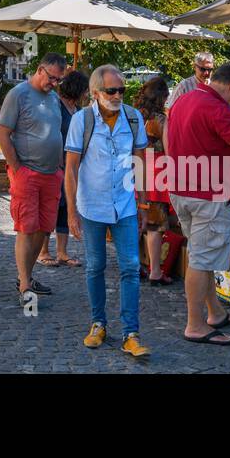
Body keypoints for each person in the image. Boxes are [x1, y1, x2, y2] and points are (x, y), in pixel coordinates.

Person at [165, 58, 230, 347]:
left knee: (199, 254)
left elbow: (170, 137)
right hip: (209, 194)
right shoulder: (217, 108)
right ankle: (195, 325)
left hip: (182, 188)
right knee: (201, 259)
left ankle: (214, 312)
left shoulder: (185, 98)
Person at [64, 66, 150, 357]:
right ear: (95, 92)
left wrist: (144, 202)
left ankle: (131, 332)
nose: (117, 96)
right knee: (95, 266)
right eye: (111, 91)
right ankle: (98, 323)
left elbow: (140, 162)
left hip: (125, 204)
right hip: (92, 206)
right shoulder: (82, 120)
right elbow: (71, 168)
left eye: (121, 90)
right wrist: (72, 212)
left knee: (130, 267)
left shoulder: (134, 118)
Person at [0, 52, 68, 306]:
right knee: (26, 228)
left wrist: (59, 165)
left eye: (59, 80)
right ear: (40, 70)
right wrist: (16, 168)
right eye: (52, 78)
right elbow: (3, 133)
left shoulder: (53, 98)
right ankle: (25, 284)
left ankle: (27, 276)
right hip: (27, 172)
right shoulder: (19, 94)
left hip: (51, 174)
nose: (54, 83)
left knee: (44, 228)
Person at [41, 70, 88, 266]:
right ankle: (43, 251)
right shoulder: (55, 106)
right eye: (85, 90)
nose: (87, 94)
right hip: (54, 165)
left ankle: (62, 252)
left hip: (71, 167)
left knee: (65, 208)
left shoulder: (76, 110)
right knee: (50, 208)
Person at [133, 75, 175, 285]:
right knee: (154, 224)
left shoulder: (133, 115)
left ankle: (135, 265)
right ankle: (155, 271)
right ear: (161, 97)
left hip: (134, 168)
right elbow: (169, 148)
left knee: (135, 220)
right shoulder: (160, 119)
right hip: (156, 171)